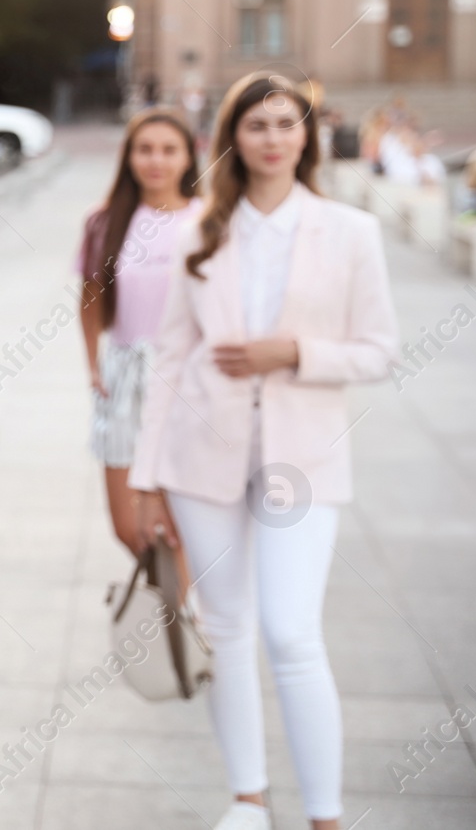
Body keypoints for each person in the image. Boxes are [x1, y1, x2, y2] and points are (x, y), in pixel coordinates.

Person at [132, 72, 398, 830]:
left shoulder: (351, 232)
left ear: (306, 135)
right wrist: (148, 474)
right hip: (198, 458)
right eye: (257, 125)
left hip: (301, 460)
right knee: (226, 627)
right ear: (232, 139)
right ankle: (248, 794)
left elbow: (380, 350)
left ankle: (325, 813)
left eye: (287, 123)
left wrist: (295, 351)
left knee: (290, 630)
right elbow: (168, 360)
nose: (273, 137)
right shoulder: (199, 233)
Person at [76, 107, 201, 556]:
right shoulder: (104, 221)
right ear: (128, 156)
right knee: (130, 527)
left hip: (187, 380)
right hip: (125, 373)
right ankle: (172, 609)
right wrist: (93, 367)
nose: (157, 161)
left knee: (178, 527)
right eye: (145, 149)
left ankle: (182, 619)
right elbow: (90, 300)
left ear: (189, 157)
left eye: (170, 150)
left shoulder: (209, 222)